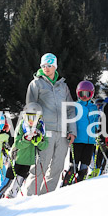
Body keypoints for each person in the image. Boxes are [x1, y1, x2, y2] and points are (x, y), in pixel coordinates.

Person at [22, 53, 77, 196]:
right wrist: (32, 130)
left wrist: (72, 131)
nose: (46, 68)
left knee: (57, 168)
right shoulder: (36, 84)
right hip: (44, 133)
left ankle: (46, 198)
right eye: (43, 65)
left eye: (49, 65)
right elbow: (30, 108)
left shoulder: (63, 86)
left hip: (63, 133)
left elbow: (70, 109)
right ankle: (29, 198)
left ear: (55, 66)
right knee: (40, 167)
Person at [0, 103, 48, 200]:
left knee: (18, 183)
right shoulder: (22, 126)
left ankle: (10, 198)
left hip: (28, 161)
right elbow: (18, 144)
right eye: (28, 117)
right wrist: (26, 139)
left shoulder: (41, 128)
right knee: (7, 181)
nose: (31, 121)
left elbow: (44, 145)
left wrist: (38, 141)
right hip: (17, 158)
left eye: (34, 118)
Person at [64, 80, 99, 184]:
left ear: (91, 94)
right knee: (73, 165)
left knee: (85, 165)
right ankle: (66, 184)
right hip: (77, 140)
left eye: (87, 94)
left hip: (90, 141)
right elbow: (69, 120)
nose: (84, 96)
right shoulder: (74, 106)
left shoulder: (94, 107)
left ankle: (80, 184)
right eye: (81, 93)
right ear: (78, 93)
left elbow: (96, 121)